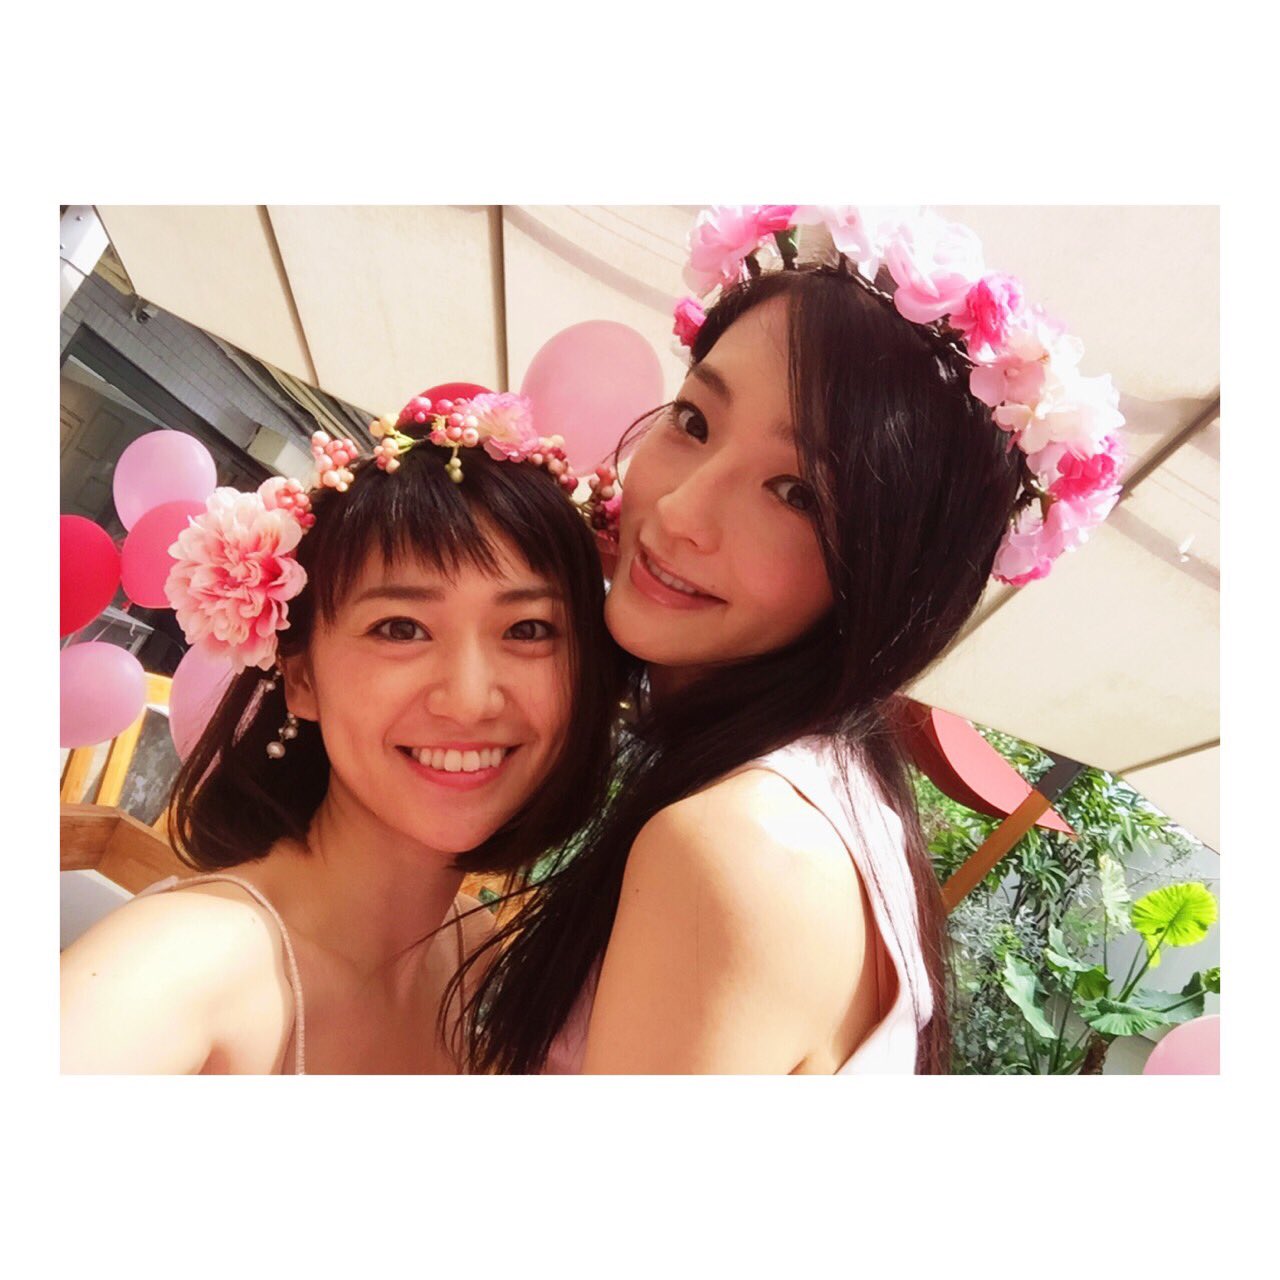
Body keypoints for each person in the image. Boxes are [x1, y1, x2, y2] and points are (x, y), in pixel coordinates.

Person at [457, 205, 1126, 1074]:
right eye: (695, 421)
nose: (681, 510)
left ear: (892, 580)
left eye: (797, 494)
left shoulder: (738, 851)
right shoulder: (831, 809)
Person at [61, 387, 622, 1074]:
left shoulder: (473, 954)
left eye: (528, 629)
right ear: (301, 678)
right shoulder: (182, 969)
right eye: (401, 628)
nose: (470, 700)